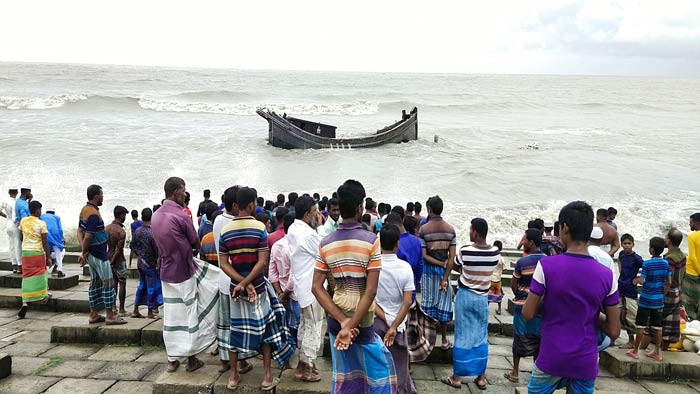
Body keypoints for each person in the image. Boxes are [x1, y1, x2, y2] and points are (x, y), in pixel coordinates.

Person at [523, 201, 619, 394]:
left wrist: (551, 299)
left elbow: (528, 313)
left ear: (564, 227)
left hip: (552, 356)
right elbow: (614, 331)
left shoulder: (547, 265)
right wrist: (590, 312)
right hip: (585, 361)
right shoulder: (607, 275)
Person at [312, 179, 397, 394]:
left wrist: (344, 323)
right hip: (364, 320)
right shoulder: (371, 241)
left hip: (337, 320)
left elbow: (317, 287)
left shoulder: (326, 243)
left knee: (345, 377)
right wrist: (351, 326)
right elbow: (370, 292)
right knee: (376, 376)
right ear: (359, 207)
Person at [218, 187, 293, 391]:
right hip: (258, 288)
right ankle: (267, 376)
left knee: (235, 331)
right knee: (267, 330)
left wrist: (241, 283)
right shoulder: (259, 228)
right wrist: (248, 282)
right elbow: (262, 262)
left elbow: (223, 264)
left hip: (236, 291)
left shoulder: (225, 231)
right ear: (251, 204)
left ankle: (233, 376)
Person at [151, 177, 219, 373]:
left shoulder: (156, 215)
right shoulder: (181, 216)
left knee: (172, 315)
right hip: (183, 270)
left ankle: (172, 359)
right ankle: (191, 359)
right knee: (191, 313)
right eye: (183, 190)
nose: (185, 194)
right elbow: (196, 243)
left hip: (166, 270)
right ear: (175, 192)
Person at [442, 218, 500, 390]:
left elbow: (455, 264)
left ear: (475, 232)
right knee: (481, 334)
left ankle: (457, 377)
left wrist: (461, 272)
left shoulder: (466, 250)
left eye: (470, 230)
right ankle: (481, 377)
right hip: (483, 297)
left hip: (466, 296)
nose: (469, 232)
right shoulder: (495, 252)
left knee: (462, 334)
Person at [373, 224, 416, 394]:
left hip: (377, 321)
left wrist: (386, 319)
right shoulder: (405, 268)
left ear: (379, 243)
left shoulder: (374, 267)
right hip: (399, 325)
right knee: (399, 367)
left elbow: (369, 298)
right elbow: (406, 303)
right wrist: (393, 326)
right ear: (397, 244)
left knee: (378, 368)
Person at [288, 195, 324, 382]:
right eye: (313, 211)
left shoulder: (293, 228)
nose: (316, 214)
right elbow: (323, 251)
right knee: (314, 327)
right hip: (311, 288)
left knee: (305, 325)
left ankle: (302, 365)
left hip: (302, 286)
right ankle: (308, 367)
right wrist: (319, 227)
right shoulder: (308, 234)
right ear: (306, 213)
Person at [78, 185, 126, 326]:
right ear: (96, 196)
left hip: (91, 254)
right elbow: (87, 236)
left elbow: (79, 231)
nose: (103, 197)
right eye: (102, 195)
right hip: (99, 254)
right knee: (108, 283)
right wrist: (83, 251)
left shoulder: (84, 210)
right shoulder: (93, 214)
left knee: (95, 283)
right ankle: (110, 315)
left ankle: (93, 314)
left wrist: (84, 251)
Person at [504, 229, 545, 384]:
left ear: (531, 243)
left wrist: (521, 295)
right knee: (538, 338)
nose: (523, 243)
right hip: (540, 306)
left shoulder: (522, 262)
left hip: (522, 305)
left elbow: (514, 284)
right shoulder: (547, 261)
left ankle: (515, 371)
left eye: (525, 240)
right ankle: (536, 372)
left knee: (520, 337)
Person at [418, 195, 456, 350]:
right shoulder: (450, 229)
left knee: (427, 306)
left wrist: (439, 262)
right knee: (444, 305)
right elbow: (452, 258)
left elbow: (424, 256)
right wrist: (445, 277)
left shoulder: (424, 229)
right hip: (444, 273)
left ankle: (427, 340)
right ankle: (445, 339)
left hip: (428, 272)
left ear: (429, 209)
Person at [626, 237, 671, 361]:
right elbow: (668, 282)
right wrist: (662, 294)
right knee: (657, 326)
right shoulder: (665, 263)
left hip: (646, 299)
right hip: (658, 300)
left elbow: (642, 280)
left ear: (651, 249)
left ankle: (635, 351)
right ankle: (657, 351)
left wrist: (635, 281)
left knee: (641, 325)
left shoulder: (647, 263)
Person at [640, 229, 686, 351]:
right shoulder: (681, 255)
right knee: (669, 324)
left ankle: (640, 350)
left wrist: (660, 294)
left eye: (666, 238)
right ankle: (663, 351)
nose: (664, 240)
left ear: (669, 241)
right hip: (677, 291)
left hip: (668, 293)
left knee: (651, 323)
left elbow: (666, 280)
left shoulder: (669, 259)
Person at [269, 213, 300, 352]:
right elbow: (294, 276)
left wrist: (280, 292)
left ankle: (287, 353)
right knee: (296, 326)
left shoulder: (277, 245)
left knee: (286, 325)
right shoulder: (295, 247)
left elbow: (272, 273)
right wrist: (286, 293)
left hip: (282, 293)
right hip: (294, 295)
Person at [17, 200, 52, 318]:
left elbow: (21, 237)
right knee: (41, 273)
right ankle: (43, 296)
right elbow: (45, 242)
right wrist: (48, 256)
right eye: (40, 210)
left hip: (26, 253)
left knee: (26, 276)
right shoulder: (41, 223)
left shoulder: (23, 221)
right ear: (37, 210)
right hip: (37, 252)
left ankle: (25, 302)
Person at [130, 208, 163, 319]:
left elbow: (132, 246)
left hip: (140, 262)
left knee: (141, 285)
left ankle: (135, 309)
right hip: (150, 264)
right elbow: (156, 249)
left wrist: (140, 254)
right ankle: (150, 312)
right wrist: (158, 260)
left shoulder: (138, 230)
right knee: (151, 287)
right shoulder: (152, 232)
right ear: (152, 217)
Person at [385, 213, 423, 301]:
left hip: (396, 294)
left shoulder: (394, 244)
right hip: (411, 290)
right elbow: (420, 267)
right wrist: (415, 283)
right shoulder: (416, 241)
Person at [618, 233, 644, 349]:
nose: (627, 246)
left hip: (631, 290)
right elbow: (619, 262)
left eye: (629, 243)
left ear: (633, 244)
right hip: (621, 288)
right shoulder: (622, 254)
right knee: (622, 316)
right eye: (625, 243)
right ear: (621, 244)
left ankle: (637, 341)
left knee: (632, 316)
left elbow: (646, 269)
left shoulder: (637, 258)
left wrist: (638, 280)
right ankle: (630, 340)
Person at [106, 205, 129, 316]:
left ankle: (114, 307)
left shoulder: (106, 228)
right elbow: (119, 250)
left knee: (114, 283)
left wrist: (109, 261)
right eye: (124, 215)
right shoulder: (121, 232)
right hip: (118, 260)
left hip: (108, 256)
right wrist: (113, 262)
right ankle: (122, 308)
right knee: (122, 283)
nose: (125, 217)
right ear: (121, 215)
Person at [683, 213, 700, 321]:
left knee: (688, 300)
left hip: (692, 272)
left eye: (691, 222)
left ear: (697, 223)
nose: (689, 224)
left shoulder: (692, 236)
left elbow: (693, 258)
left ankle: (690, 322)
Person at [0, 187, 21, 274]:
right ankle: (20, 266)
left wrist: (6, 217)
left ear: (9, 192)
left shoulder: (4, 201)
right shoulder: (17, 201)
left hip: (8, 224)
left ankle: (14, 266)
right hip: (15, 224)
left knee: (11, 245)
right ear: (16, 192)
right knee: (18, 245)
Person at [40, 207, 66, 277]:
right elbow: (60, 229)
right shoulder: (57, 217)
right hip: (54, 235)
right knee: (59, 251)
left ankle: (43, 269)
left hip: (43, 234)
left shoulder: (41, 216)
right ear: (54, 213)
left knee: (42, 250)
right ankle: (59, 269)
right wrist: (61, 238)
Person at [489, 240, 506, 315]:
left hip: (490, 279)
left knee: (489, 294)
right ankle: (499, 309)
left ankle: (487, 307)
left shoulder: (491, 257)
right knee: (499, 294)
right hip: (498, 280)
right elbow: (504, 269)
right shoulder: (501, 259)